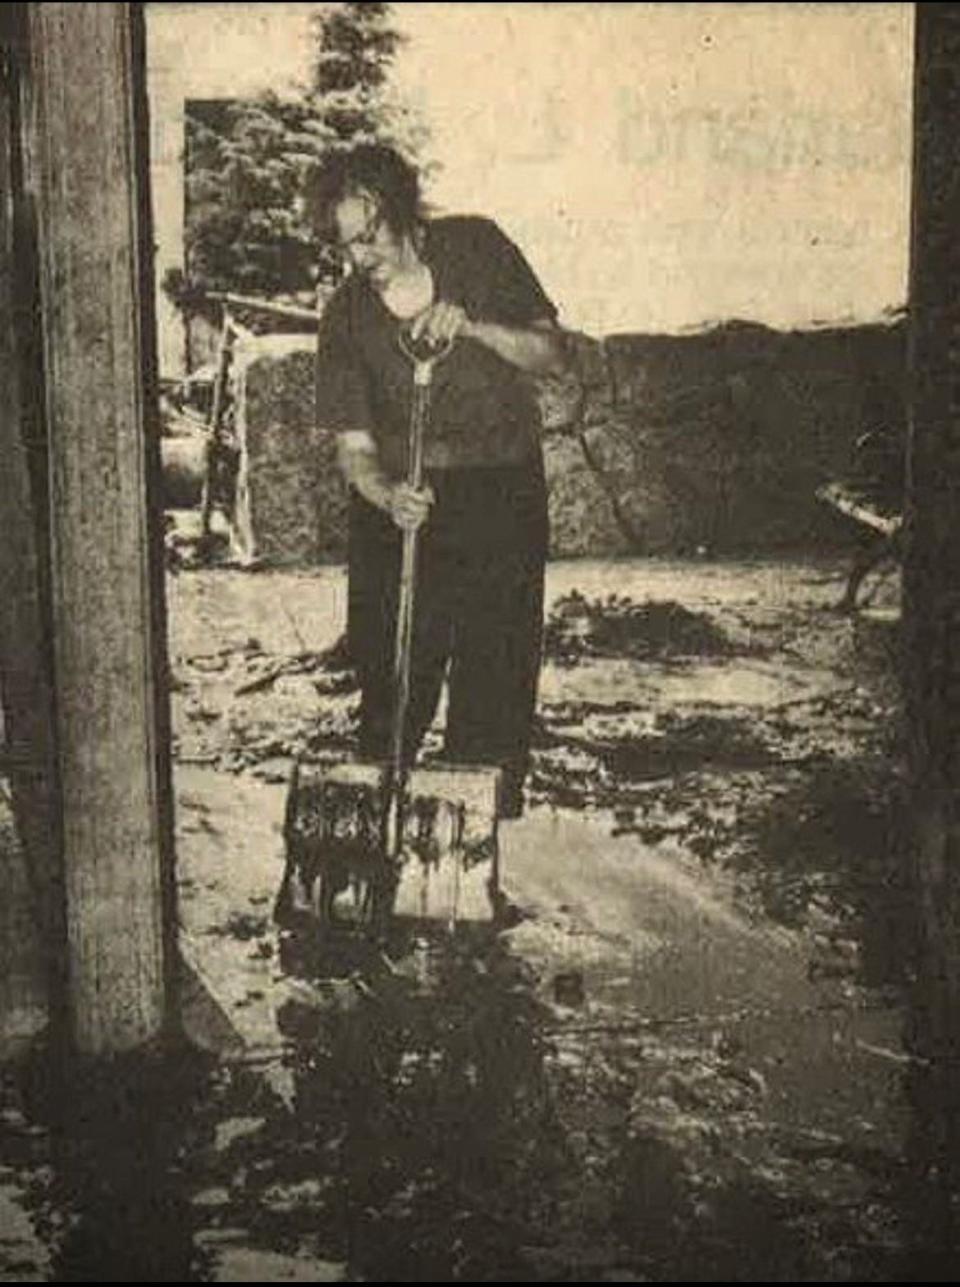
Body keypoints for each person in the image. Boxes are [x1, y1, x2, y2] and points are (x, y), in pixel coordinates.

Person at [305, 144, 567, 818]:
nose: (362, 256)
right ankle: (377, 825)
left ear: (403, 210)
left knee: (495, 668)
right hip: (401, 504)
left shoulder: (477, 247)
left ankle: (468, 843)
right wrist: (387, 494)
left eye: (371, 235)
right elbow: (354, 447)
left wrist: (473, 327)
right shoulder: (345, 316)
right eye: (346, 243)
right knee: (392, 668)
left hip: (499, 492)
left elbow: (550, 353)